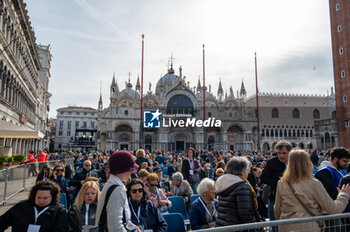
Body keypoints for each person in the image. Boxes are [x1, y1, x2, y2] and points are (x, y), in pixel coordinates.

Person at [275, 149, 350, 232]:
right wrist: (344, 194)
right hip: (308, 226)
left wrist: (282, 222)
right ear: (308, 163)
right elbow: (333, 209)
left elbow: (277, 208)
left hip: (286, 226)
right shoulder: (314, 184)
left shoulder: (281, 183)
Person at [95, 150, 140, 231]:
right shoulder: (117, 190)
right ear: (123, 169)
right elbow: (115, 227)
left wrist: (130, 225)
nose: (132, 171)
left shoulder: (110, 184)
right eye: (130, 169)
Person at [0, 180, 68, 232]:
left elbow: (60, 229)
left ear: (52, 197)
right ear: (34, 196)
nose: (41, 201)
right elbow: (2, 221)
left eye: (45, 198)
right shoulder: (21, 206)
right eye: (38, 197)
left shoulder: (59, 211)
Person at [215, 156, 259, 226]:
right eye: (247, 170)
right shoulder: (243, 187)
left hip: (222, 226)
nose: (248, 173)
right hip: (237, 228)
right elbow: (246, 215)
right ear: (242, 171)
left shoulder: (223, 182)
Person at [261, 140, 291, 221]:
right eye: (279, 153)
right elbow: (263, 178)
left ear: (290, 152)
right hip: (275, 199)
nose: (281, 156)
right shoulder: (272, 162)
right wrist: (279, 183)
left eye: (284, 153)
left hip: (292, 200)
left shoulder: (295, 162)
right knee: (276, 226)